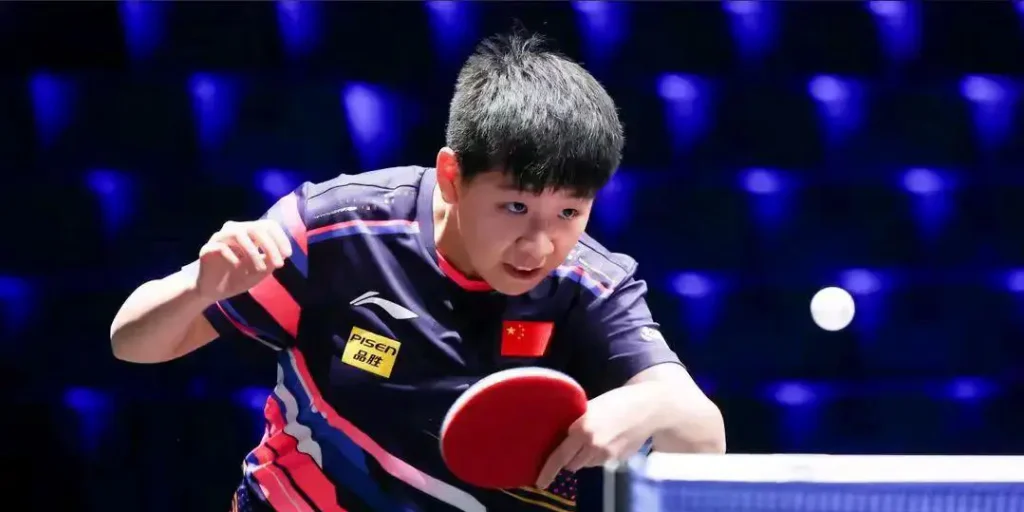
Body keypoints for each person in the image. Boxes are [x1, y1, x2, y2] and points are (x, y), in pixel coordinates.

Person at [110, 31, 725, 512]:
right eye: (515, 206)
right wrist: (199, 288)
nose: (540, 244)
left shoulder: (590, 287)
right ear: (453, 176)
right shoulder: (336, 230)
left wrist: (649, 407)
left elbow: (702, 434)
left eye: (569, 212)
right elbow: (130, 342)